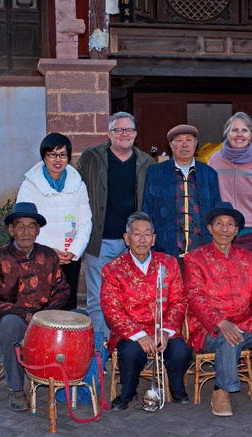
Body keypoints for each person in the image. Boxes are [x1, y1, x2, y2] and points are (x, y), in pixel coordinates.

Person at [185, 202, 252, 417]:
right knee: (230, 336)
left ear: (237, 230)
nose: (225, 229)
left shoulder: (247, 258)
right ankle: (221, 391)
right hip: (208, 328)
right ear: (210, 228)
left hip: (245, 324)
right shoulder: (194, 258)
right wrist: (221, 322)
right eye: (219, 224)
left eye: (230, 224)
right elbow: (195, 298)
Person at [0, 202, 70, 411]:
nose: (26, 232)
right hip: (9, 321)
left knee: (81, 316)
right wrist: (24, 314)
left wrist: (46, 316)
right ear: (11, 230)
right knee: (12, 325)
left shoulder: (48, 256)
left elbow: (62, 290)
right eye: (20, 226)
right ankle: (17, 389)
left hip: (45, 320)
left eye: (32, 226)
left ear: (38, 230)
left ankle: (68, 383)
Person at [101, 212, 191, 411]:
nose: (142, 239)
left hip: (163, 328)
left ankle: (177, 388)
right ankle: (128, 393)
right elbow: (111, 308)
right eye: (136, 234)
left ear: (154, 239)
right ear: (126, 238)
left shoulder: (168, 263)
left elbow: (179, 301)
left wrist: (165, 331)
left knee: (181, 351)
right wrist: (140, 336)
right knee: (131, 353)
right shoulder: (113, 269)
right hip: (132, 332)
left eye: (147, 234)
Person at [77, 112, 154, 340]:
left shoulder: (146, 162)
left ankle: (125, 344)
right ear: (109, 134)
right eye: (118, 130)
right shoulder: (92, 157)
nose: (124, 134)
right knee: (98, 297)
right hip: (100, 240)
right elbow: (78, 192)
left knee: (132, 297)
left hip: (133, 243)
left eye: (129, 130)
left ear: (136, 134)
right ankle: (101, 347)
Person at [16, 133, 92, 310]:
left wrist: (74, 251)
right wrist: (49, 252)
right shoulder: (30, 185)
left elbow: (85, 221)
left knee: (66, 307)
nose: (58, 160)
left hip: (68, 257)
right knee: (38, 306)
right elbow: (23, 224)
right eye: (52, 155)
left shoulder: (78, 184)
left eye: (63, 155)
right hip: (38, 256)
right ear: (44, 157)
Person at [142, 124, 221, 266]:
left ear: (196, 144)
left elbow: (216, 213)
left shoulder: (209, 174)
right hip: (166, 250)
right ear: (171, 145)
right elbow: (148, 211)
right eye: (178, 140)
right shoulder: (156, 173)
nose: (184, 145)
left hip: (202, 251)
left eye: (189, 140)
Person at [208, 112, 252, 253]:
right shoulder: (215, 160)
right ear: (227, 133)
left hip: (251, 234)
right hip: (222, 233)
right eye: (234, 130)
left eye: (244, 130)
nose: (239, 135)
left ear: (251, 135)